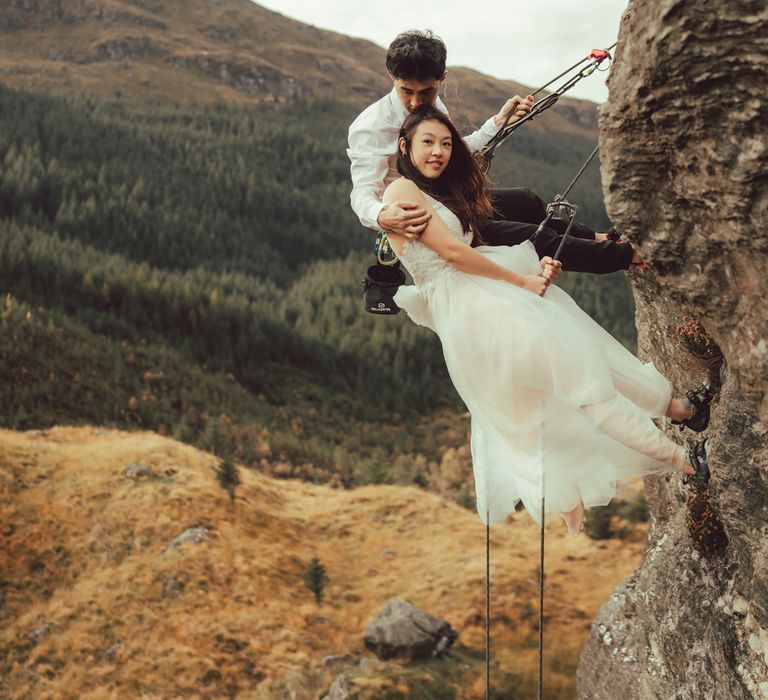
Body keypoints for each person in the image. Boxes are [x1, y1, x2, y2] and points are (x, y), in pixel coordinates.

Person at [383, 105, 712, 535]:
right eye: (428, 142)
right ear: (405, 146)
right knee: (584, 381)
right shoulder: (401, 191)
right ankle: (685, 462)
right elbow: (453, 254)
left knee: (589, 357)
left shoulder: (437, 190)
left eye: (446, 144)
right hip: (483, 313)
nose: (439, 152)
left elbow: (474, 248)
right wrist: (522, 282)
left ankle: (679, 410)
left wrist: (532, 272)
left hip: (487, 300)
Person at [347, 30, 642, 274]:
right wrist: (382, 216)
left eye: (425, 92)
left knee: (526, 200)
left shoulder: (433, 108)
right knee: (535, 238)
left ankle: (599, 238)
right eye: (405, 91)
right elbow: (362, 194)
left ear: (442, 78)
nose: (415, 102)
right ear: (391, 77)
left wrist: (498, 123)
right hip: (432, 225)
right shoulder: (372, 127)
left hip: (450, 200)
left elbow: (454, 151)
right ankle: (627, 257)